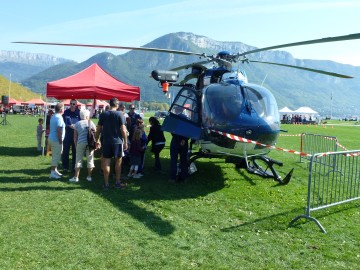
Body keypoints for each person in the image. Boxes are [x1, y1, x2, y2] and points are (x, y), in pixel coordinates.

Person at [95, 98, 128, 190]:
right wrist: (125, 142)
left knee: (106, 162)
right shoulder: (120, 114)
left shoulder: (103, 114)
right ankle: (117, 182)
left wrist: (96, 140)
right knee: (118, 162)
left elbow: (98, 129)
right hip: (118, 142)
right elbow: (123, 130)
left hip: (106, 141)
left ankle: (106, 184)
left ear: (110, 104)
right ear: (117, 105)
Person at [69, 109, 97, 183]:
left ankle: (76, 177)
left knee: (78, 160)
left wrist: (75, 145)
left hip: (80, 143)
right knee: (90, 160)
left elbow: (75, 137)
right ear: (87, 116)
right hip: (90, 143)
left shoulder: (77, 124)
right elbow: (95, 133)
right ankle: (89, 176)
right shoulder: (91, 123)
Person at [169, 106, 190, 183]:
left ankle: (173, 178)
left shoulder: (174, 118)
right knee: (183, 160)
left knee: (173, 160)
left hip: (175, 141)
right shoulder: (187, 119)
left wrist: (178, 138)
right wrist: (184, 139)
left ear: (177, 110)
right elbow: (189, 131)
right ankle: (184, 177)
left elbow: (172, 131)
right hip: (184, 142)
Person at [62, 99, 81, 173]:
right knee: (65, 151)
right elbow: (62, 122)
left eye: (73, 104)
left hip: (76, 135)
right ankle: (65, 167)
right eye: (71, 104)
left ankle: (74, 167)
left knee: (75, 152)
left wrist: (75, 126)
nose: (72, 105)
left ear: (76, 105)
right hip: (67, 134)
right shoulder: (66, 112)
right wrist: (68, 125)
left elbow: (81, 123)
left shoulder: (79, 113)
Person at [48, 103, 66, 179]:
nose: (64, 109)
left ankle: (55, 171)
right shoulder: (59, 118)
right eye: (64, 108)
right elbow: (59, 130)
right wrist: (60, 141)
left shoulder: (53, 116)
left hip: (51, 138)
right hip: (56, 139)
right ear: (61, 109)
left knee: (55, 156)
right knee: (56, 157)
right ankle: (52, 173)